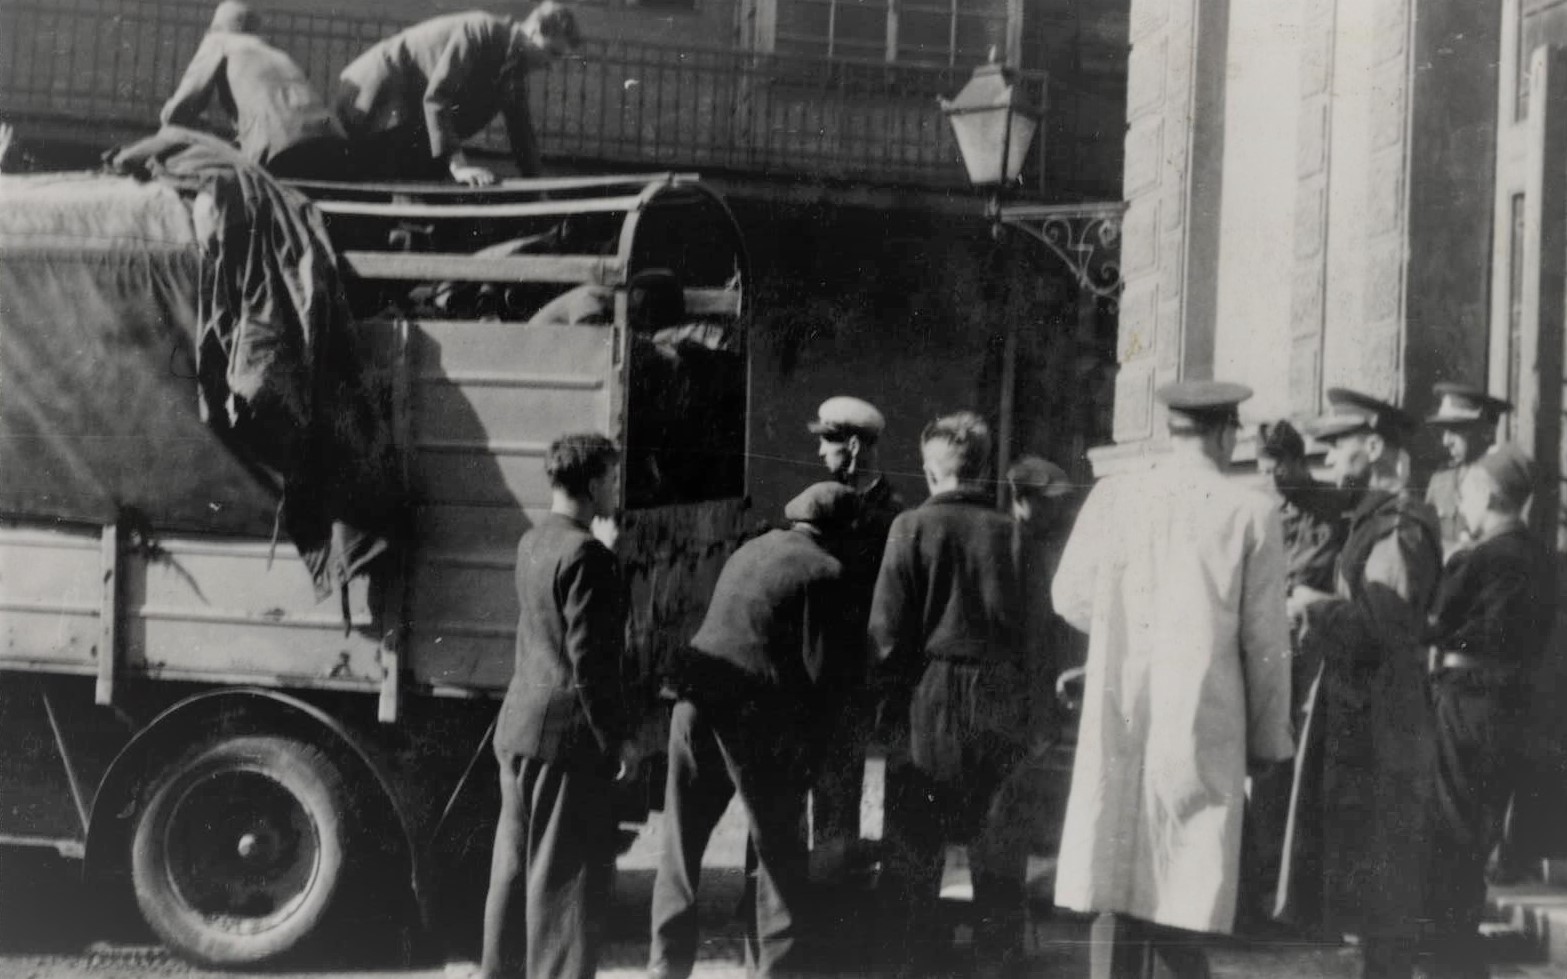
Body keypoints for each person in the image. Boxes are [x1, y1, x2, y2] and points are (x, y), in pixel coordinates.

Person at [1051, 381, 1294, 979]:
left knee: (1116, 870)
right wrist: (1269, 739)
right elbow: (1266, 643)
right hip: (1204, 712)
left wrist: (1120, 634)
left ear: (1169, 430)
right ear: (1226, 433)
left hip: (1123, 704)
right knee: (1182, 881)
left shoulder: (1115, 495)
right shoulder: (1251, 510)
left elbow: (1069, 596)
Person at [647, 482, 859, 979]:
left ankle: (664, 966)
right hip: (749, 717)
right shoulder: (826, 570)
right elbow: (823, 680)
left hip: (692, 701)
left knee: (680, 846)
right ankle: (774, 971)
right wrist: (812, 760)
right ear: (842, 531)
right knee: (778, 851)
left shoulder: (752, 549)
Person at [1277, 388, 1443, 979]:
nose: (1327, 460)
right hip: (1366, 711)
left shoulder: (1398, 525)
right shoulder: (1376, 519)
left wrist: (1314, 605)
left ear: (1374, 447)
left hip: (1383, 722)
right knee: (1368, 876)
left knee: (1383, 877)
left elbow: (1384, 628)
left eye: (1337, 446)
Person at [869, 411, 1030, 977]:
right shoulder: (1011, 532)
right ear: (983, 469)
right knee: (996, 840)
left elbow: (886, 635)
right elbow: (1034, 629)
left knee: (917, 836)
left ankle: (916, 961)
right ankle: (998, 963)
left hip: (929, 693)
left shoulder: (910, 527)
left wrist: (886, 709)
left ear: (929, 471)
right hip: (999, 692)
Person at [479, 433, 639, 979]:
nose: (616, 490)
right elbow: (592, 664)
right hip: (564, 740)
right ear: (592, 485)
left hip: (518, 730)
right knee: (565, 890)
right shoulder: (588, 556)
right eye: (612, 479)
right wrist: (616, 740)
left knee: (512, 873)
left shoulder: (532, 540)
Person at [1424, 445, 1555, 978]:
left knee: (1449, 828)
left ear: (1490, 496)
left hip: (1465, 701)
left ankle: (1452, 956)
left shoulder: (1476, 558)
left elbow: (1433, 624)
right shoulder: (1544, 559)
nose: (1461, 504)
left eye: (1467, 494)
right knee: (1479, 828)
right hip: (1513, 706)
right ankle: (1459, 947)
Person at [805, 395, 903, 877]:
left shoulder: (891, 517)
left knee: (844, 778)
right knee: (816, 779)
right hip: (818, 664)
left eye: (828, 442)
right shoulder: (823, 502)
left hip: (857, 669)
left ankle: (837, 884)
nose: (821, 452)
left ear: (855, 447)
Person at [335, 3, 580, 186]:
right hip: (372, 96)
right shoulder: (481, 31)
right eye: (552, 53)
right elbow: (437, 97)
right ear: (534, 30)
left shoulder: (513, 66)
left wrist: (537, 189)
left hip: (403, 111)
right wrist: (459, 166)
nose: (551, 65)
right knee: (367, 183)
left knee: (418, 183)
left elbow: (521, 131)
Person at [159, 1, 351, 179]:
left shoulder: (219, 42)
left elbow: (184, 105)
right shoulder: (276, 53)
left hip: (280, 149)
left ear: (215, 27)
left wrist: (169, 117)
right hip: (333, 144)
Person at [1006, 455, 1078, 746]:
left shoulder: (1058, 543)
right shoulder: (1004, 540)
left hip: (1051, 654)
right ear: (1022, 499)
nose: (1056, 509)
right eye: (1047, 502)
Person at [1425, 383, 1511, 558]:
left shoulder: (1502, 483)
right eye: (1444, 431)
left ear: (1486, 431)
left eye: (1455, 430)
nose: (1446, 441)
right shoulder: (1440, 481)